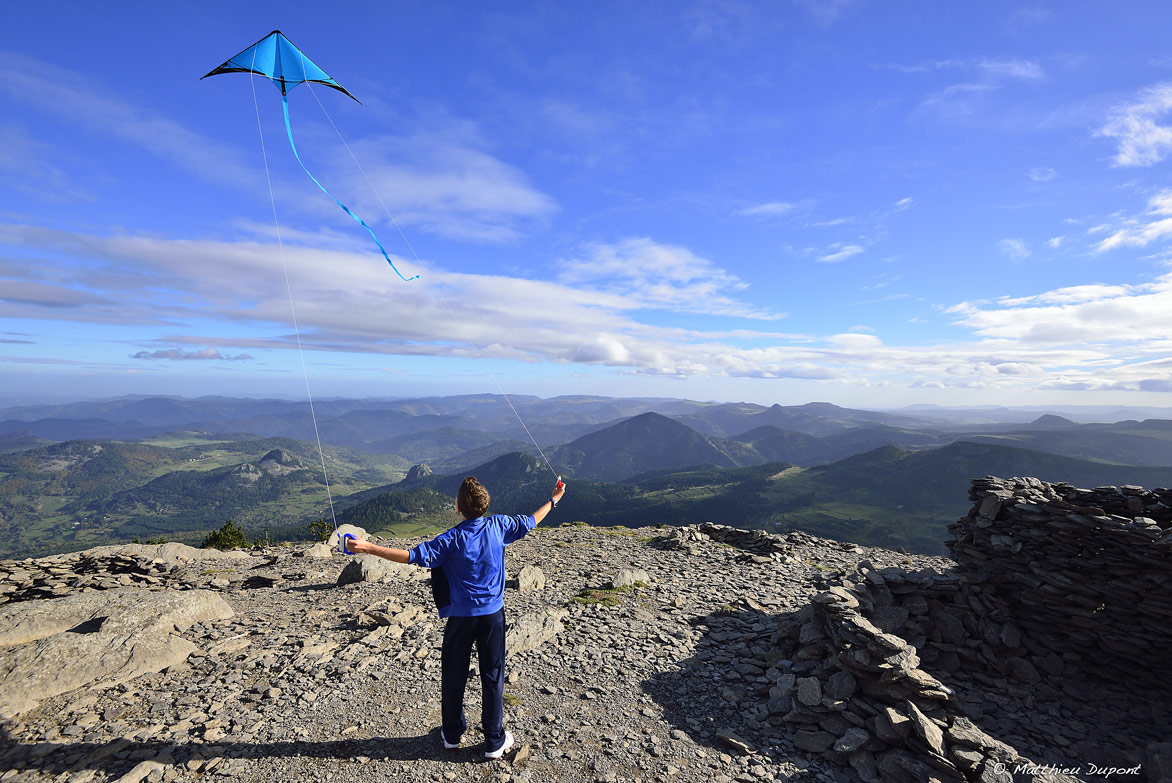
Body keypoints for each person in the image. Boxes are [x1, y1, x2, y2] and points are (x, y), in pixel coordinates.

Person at [347, 474, 566, 759]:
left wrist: (368, 548)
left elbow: (410, 556)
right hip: (492, 617)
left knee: (453, 674)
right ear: (485, 506)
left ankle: (451, 735)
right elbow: (532, 520)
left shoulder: (450, 539)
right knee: (493, 675)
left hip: (460, 619)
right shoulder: (500, 526)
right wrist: (554, 499)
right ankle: (493, 740)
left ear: (459, 508)